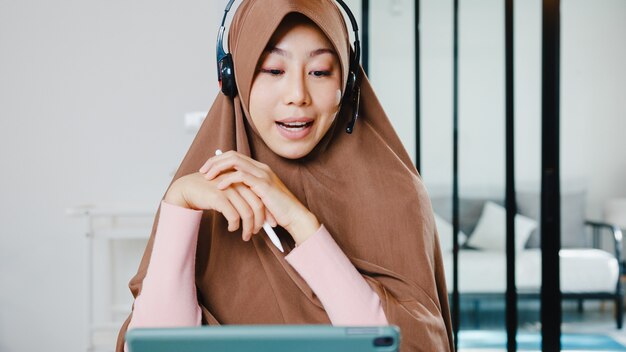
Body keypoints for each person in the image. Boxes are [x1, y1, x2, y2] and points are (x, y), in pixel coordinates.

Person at [116, 1, 454, 351]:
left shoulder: (398, 195)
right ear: (235, 77)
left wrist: (300, 222)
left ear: (349, 81)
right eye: (274, 70)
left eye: (320, 72)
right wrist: (179, 205)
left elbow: (410, 346)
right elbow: (155, 347)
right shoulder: (199, 197)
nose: (297, 96)